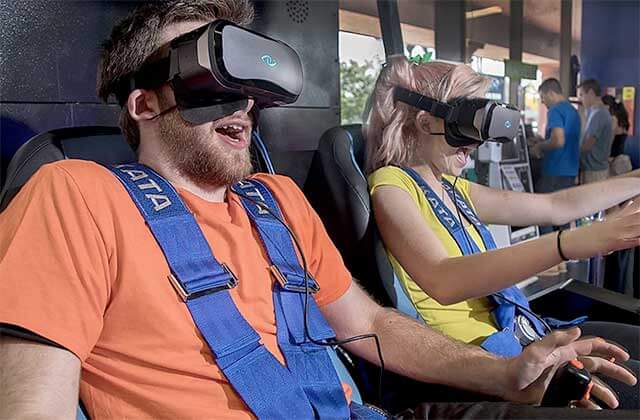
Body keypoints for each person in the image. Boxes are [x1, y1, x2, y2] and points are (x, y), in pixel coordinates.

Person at [0, 2, 636, 419]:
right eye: (211, 81)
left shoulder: (277, 201)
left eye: (249, 91)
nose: (243, 106)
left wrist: (506, 375)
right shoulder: (74, 196)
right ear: (144, 105)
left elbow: (374, 327)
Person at [366, 58, 640, 408]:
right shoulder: (392, 184)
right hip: (482, 360)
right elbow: (442, 279)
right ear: (424, 122)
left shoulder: (453, 187)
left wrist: (635, 180)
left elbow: (556, 207)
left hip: (519, 333)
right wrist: (571, 243)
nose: (477, 143)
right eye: (468, 127)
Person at [531, 78, 581, 209]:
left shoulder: (555, 110)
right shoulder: (573, 111)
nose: (542, 101)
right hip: (570, 172)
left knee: (543, 213)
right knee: (563, 214)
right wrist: (543, 140)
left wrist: (539, 146)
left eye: (543, 97)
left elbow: (559, 141)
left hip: (555, 171)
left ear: (551, 94)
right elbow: (567, 139)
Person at [578, 79, 614, 184]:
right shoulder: (594, 113)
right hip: (593, 169)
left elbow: (588, 145)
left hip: (594, 172)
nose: (581, 99)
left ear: (591, 93)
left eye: (582, 94)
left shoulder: (599, 114)